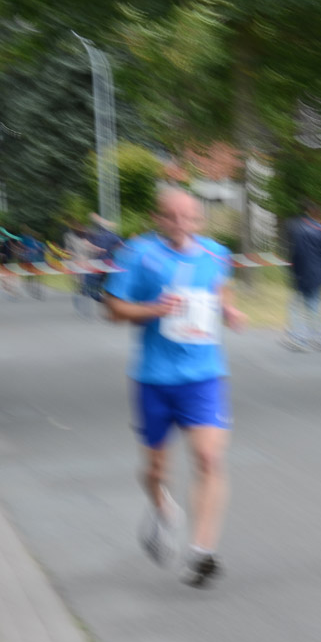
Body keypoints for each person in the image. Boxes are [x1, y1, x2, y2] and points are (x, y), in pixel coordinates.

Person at [104, 188, 245, 587]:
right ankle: (162, 507)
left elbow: (221, 287)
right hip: (154, 378)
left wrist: (229, 309)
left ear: (200, 219)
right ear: (158, 218)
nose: (181, 224)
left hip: (203, 376)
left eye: (189, 217)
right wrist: (152, 309)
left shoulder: (216, 253)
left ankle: (202, 553)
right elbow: (112, 308)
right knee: (155, 470)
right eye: (172, 217)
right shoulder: (138, 254)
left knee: (209, 459)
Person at [284, 200, 321, 352]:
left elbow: (296, 254)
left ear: (306, 212)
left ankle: (300, 339)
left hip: (302, 273)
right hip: (318, 272)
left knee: (296, 307)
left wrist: (293, 271)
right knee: (316, 306)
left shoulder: (298, 230)